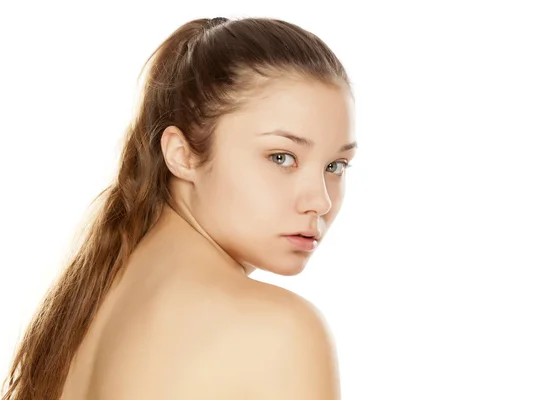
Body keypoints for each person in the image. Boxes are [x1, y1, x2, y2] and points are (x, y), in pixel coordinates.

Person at [2, 16, 357, 400]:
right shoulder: (281, 329)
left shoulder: (87, 308)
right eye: (281, 157)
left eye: (335, 167)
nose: (321, 201)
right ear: (182, 154)